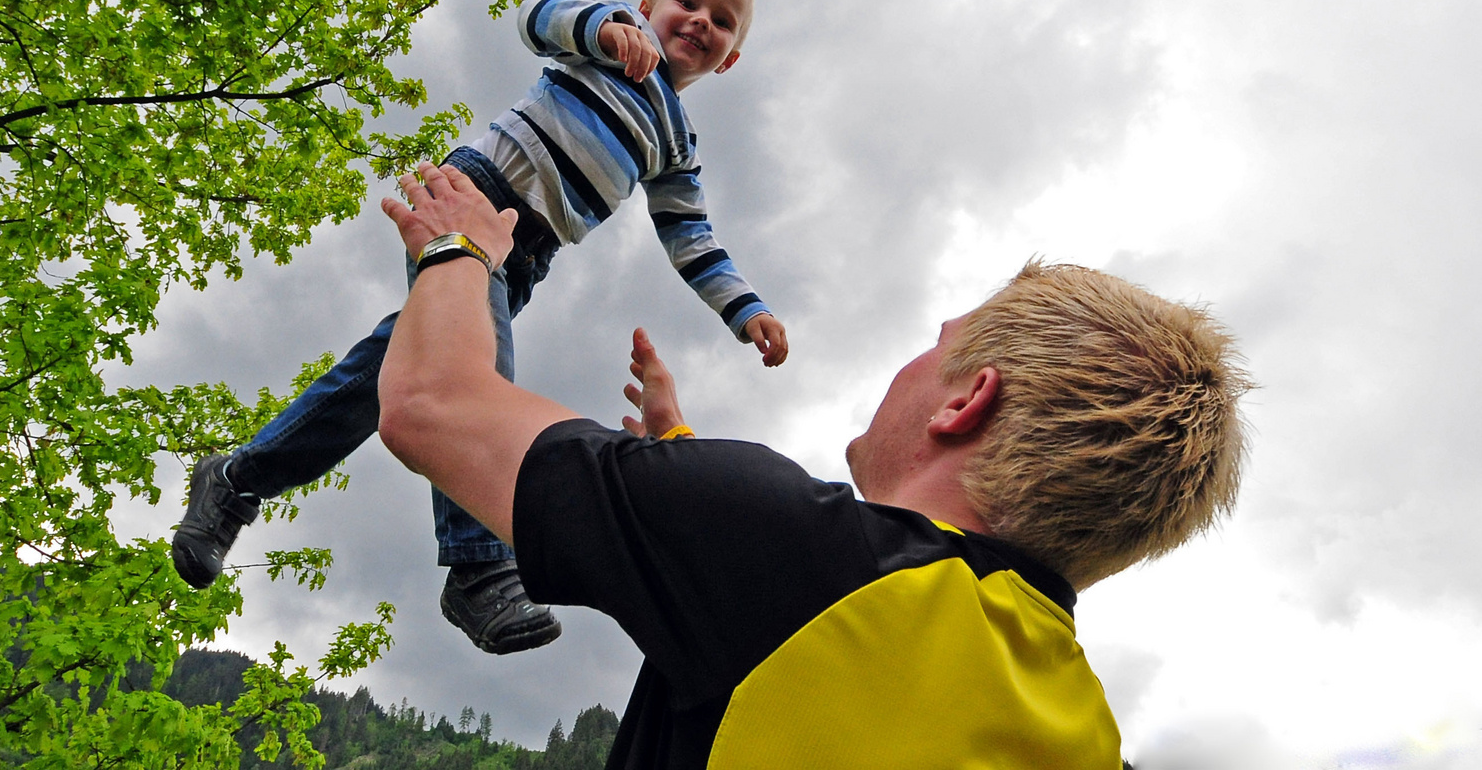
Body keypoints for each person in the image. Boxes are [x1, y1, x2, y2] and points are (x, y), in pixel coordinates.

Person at [374, 161, 1251, 768]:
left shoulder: (795, 556)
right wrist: (679, 461)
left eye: (932, 350)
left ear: (966, 402)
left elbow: (431, 403)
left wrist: (460, 250)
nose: (910, 366)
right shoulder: (1091, 745)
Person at [171, 0, 789, 655]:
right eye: (689, 3)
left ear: (729, 60)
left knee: (389, 381)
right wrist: (605, 28)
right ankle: (476, 565)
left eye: (722, 21)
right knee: (471, 383)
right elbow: (536, 17)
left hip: (526, 256)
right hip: (475, 200)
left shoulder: (676, 144)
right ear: (649, 5)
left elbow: (692, 236)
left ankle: (237, 477)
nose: (701, 21)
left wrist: (745, 309)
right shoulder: (608, 41)